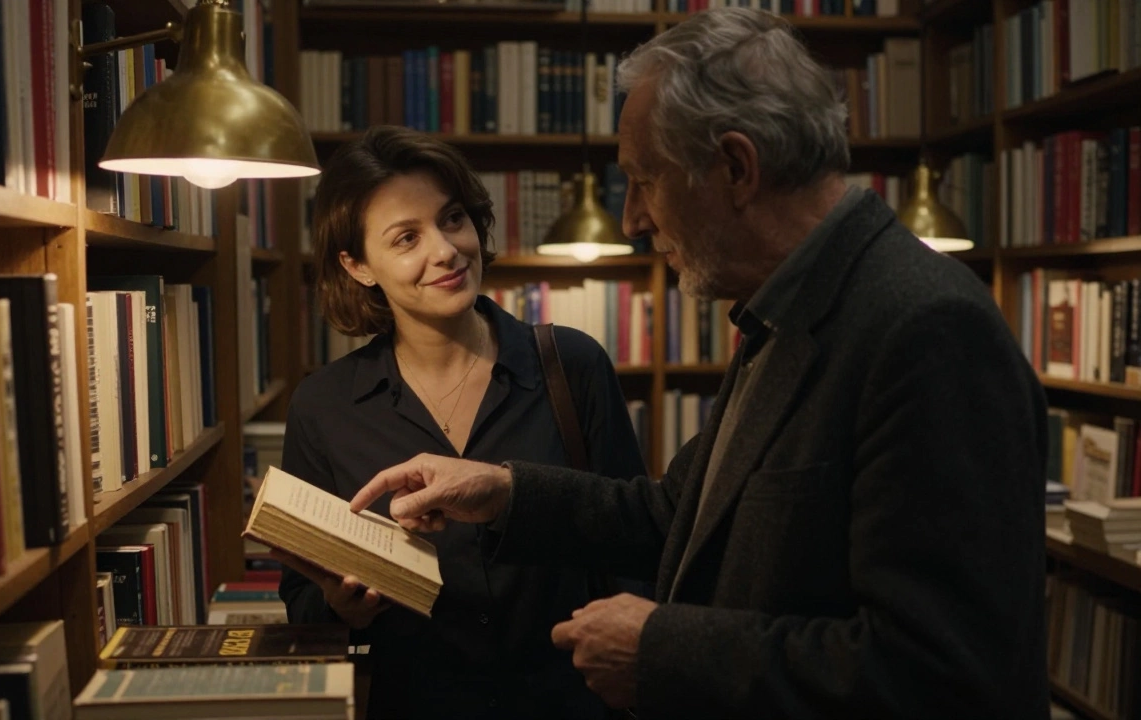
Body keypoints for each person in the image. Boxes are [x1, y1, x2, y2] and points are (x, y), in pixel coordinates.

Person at [349, 8, 1050, 719]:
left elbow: (946, 674)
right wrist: (499, 491)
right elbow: (675, 514)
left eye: (644, 181)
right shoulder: (787, 311)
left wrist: (661, 649)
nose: (632, 221)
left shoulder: (925, 329)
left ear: (736, 168)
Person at [276, 125, 649, 720]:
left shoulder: (571, 366)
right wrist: (340, 607)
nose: (446, 250)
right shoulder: (325, 407)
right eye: (406, 238)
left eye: (452, 219)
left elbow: (638, 540)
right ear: (357, 264)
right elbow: (301, 598)